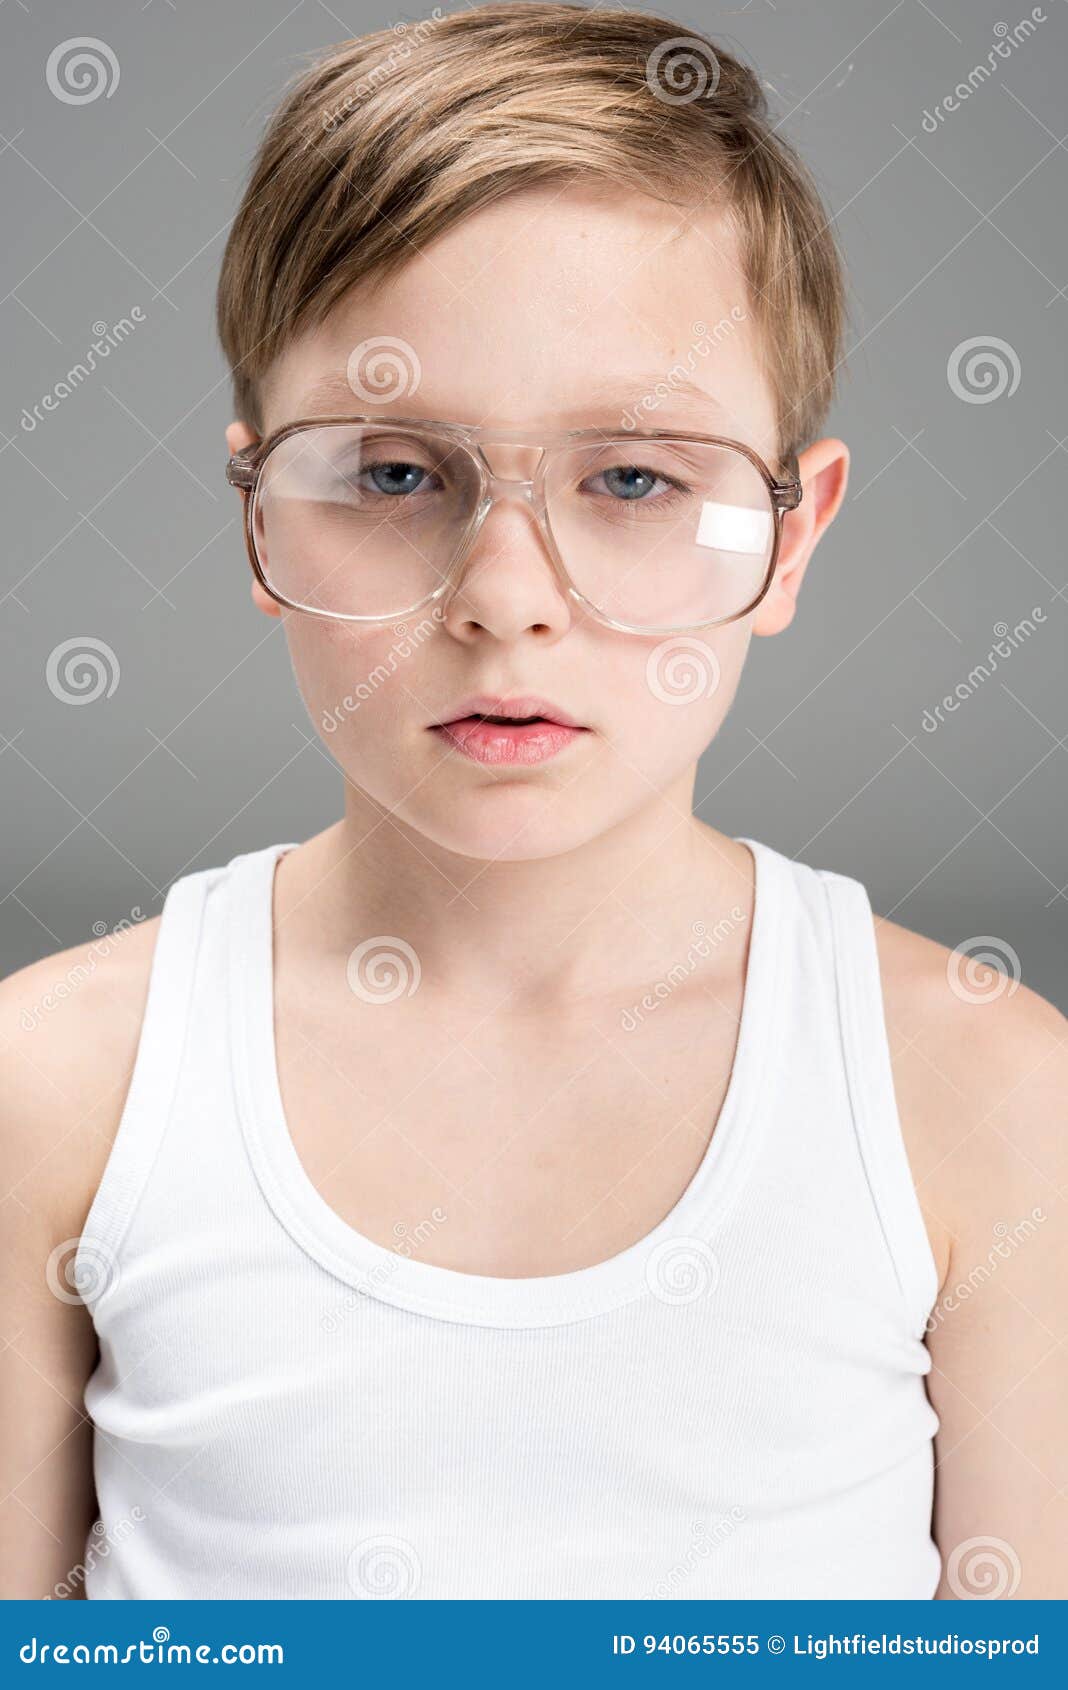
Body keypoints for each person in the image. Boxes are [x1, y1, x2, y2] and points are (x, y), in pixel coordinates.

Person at [2, 3, 1065, 1602]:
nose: (506, 597)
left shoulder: (990, 1099)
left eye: (634, 478)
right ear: (254, 520)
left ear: (792, 535)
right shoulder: (56, 1086)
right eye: (391, 472)